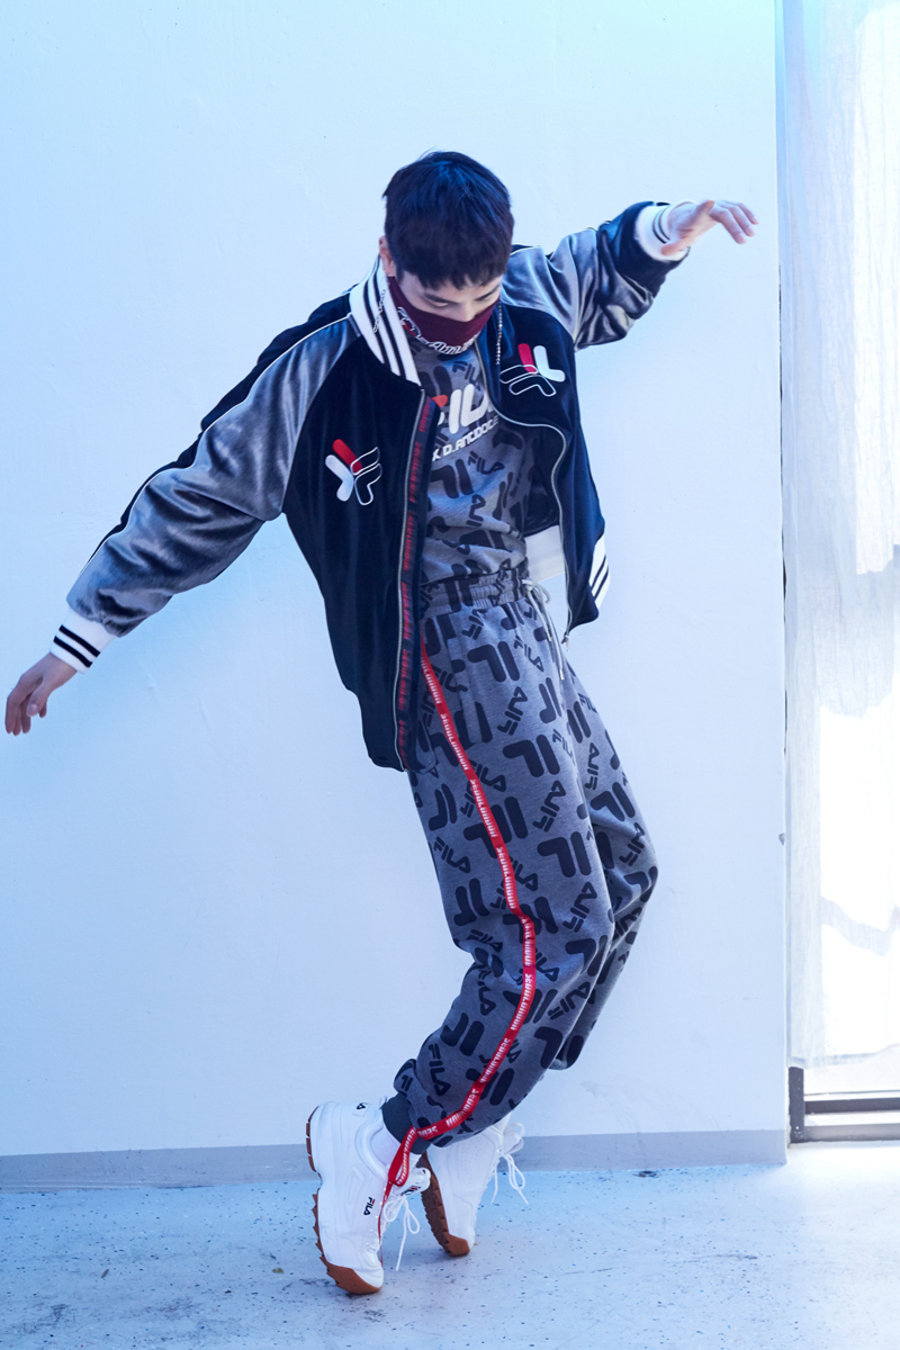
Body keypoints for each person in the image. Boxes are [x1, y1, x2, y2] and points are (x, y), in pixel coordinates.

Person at [5, 151, 757, 1296]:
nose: (461, 326)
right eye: (434, 306)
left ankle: (468, 1130)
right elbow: (201, 494)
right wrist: (79, 638)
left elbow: (596, 273)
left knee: (625, 876)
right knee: (546, 933)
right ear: (387, 261)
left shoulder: (520, 298)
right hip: (439, 644)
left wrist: (670, 227)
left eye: (478, 300)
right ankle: (384, 1140)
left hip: (526, 618)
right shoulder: (326, 370)